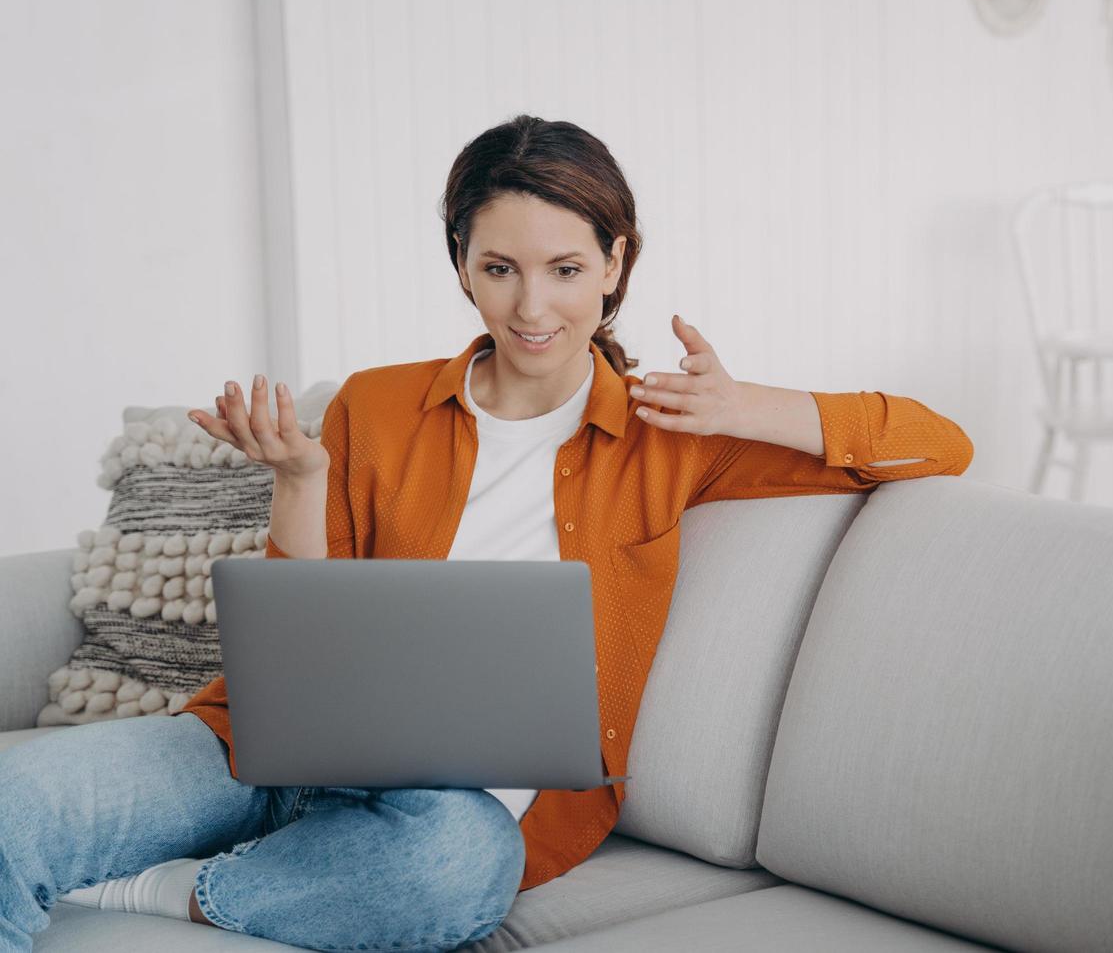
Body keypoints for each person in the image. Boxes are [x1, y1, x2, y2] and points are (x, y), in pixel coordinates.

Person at [0, 114, 974, 951]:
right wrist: (301, 479)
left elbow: (940, 443)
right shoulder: (377, 405)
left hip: (450, 814)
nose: (532, 305)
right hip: (256, 745)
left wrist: (746, 401)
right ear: (463, 265)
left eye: (565, 268)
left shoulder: (670, 428)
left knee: (457, 872)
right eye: (499, 268)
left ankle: (170, 887)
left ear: (616, 263)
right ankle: (237, 860)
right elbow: (302, 623)